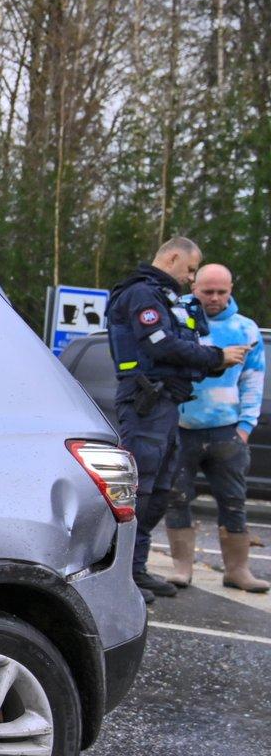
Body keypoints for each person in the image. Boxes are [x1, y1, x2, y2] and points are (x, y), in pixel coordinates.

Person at [104, 236, 248, 602]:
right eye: (189, 269)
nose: (190, 277)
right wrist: (215, 357)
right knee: (140, 487)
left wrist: (212, 362)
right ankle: (119, 575)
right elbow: (161, 346)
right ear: (171, 258)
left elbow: (179, 351)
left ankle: (135, 569)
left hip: (166, 404)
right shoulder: (142, 294)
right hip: (145, 404)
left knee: (161, 489)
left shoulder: (164, 296)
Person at [160, 262, 267, 592]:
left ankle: (238, 570)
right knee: (177, 497)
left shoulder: (246, 329)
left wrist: (246, 426)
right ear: (195, 289)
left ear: (231, 290)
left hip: (227, 431)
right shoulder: (178, 321)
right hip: (181, 427)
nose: (215, 298)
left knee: (233, 500)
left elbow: (253, 381)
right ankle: (182, 567)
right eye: (208, 291)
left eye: (222, 292)